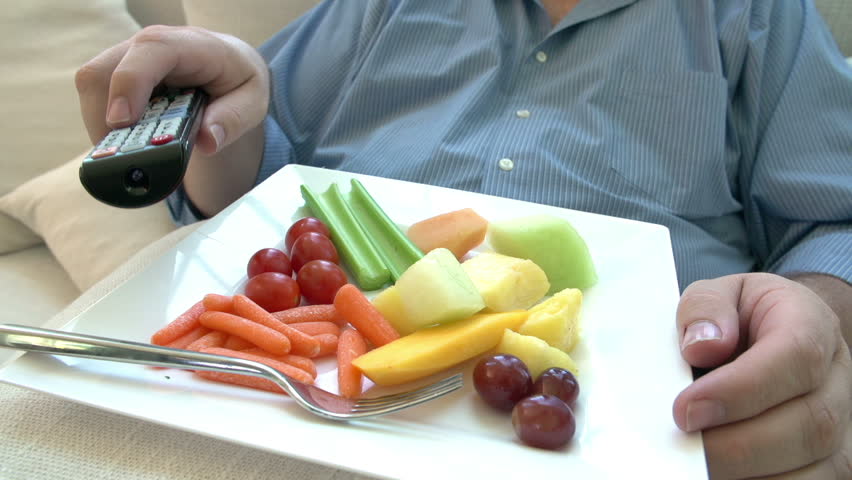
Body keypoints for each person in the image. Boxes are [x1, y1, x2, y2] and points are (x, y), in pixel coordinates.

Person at [75, 0, 852, 477]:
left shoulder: (759, 12)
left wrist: (811, 313)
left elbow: (832, 219)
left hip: (629, 425)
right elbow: (259, 184)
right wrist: (222, 115)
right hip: (305, 407)